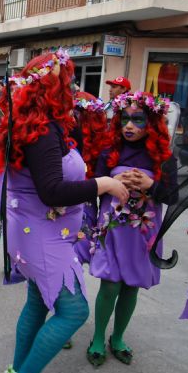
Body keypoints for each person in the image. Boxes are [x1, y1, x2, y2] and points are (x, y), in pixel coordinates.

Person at [0, 50, 129, 373]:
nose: (74, 87)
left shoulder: (39, 125)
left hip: (37, 233)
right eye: (68, 79)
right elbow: (52, 191)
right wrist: (104, 184)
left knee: (37, 302)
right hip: (42, 236)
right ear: (55, 87)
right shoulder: (43, 132)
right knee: (74, 311)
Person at [87, 92, 177, 367]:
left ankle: (118, 338)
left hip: (143, 233)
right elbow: (92, 187)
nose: (128, 125)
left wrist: (151, 186)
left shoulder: (163, 157)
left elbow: (172, 197)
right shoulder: (109, 151)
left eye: (137, 119)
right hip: (113, 228)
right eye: (124, 118)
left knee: (131, 287)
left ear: (151, 122)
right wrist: (110, 181)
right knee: (111, 284)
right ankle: (99, 338)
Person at [72, 92, 112, 265]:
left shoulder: (103, 146)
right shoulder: (56, 139)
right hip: (54, 207)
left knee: (74, 260)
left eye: (76, 114)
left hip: (83, 209)